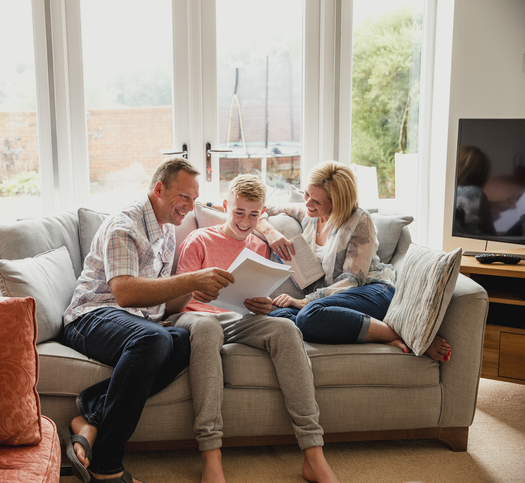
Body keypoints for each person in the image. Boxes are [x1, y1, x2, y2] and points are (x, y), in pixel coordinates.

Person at [61, 157, 235, 483]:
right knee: (154, 339)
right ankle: (106, 466)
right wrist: (193, 279)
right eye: (184, 197)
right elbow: (125, 292)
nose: (189, 206)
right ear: (159, 189)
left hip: (136, 322)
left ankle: (91, 418)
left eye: (194, 200)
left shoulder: (167, 230)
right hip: (90, 317)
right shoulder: (124, 227)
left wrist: (197, 291)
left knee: (183, 341)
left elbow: (164, 303)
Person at [168, 174, 339, 483]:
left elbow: (253, 296)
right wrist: (195, 290)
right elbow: (175, 302)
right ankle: (211, 455)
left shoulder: (258, 247)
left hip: (238, 319)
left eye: (253, 214)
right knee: (207, 328)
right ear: (225, 207)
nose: (245, 221)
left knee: (286, 329)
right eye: (238, 212)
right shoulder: (199, 240)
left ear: (262, 214)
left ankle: (313, 454)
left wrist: (264, 305)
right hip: (195, 316)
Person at [260, 161, 451, 362]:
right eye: (306, 195)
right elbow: (263, 209)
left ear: (336, 202)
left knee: (308, 315)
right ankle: (375, 337)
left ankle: (406, 335)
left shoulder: (359, 220)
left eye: (317, 201)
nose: (308, 204)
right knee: (277, 317)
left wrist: (305, 301)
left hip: (372, 291)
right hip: (333, 302)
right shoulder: (308, 213)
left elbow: (352, 281)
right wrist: (269, 232)